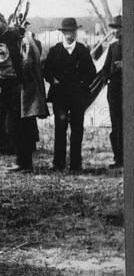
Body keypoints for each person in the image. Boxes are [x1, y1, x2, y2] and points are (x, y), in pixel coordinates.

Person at [43, 17, 96, 171]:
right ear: (63, 33)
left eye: (72, 32)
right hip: (59, 96)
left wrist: (83, 83)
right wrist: (53, 81)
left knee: (77, 128)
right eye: (67, 32)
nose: (70, 34)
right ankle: (58, 163)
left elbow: (92, 71)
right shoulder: (54, 50)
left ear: (76, 33)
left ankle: (75, 164)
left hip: (78, 96)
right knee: (60, 127)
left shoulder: (82, 50)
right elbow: (46, 71)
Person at [6, 30, 49, 172]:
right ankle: (24, 161)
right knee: (25, 126)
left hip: (25, 91)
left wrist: (13, 73)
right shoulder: (30, 41)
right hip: (28, 90)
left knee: (17, 126)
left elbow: (25, 65)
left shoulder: (25, 43)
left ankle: (23, 162)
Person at [100, 15, 122, 168]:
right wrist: (105, 77)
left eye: (118, 28)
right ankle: (118, 158)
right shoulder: (112, 47)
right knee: (115, 124)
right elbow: (105, 69)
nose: (115, 31)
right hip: (113, 91)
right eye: (113, 28)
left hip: (126, 91)